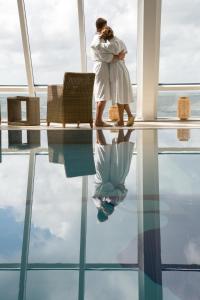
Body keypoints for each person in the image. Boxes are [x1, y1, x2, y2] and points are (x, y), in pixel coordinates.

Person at [94, 26, 135, 127]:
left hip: (116, 70)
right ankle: (130, 116)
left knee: (119, 96)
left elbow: (100, 51)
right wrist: (119, 56)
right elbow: (124, 52)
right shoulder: (119, 41)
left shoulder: (107, 45)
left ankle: (121, 121)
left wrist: (99, 39)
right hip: (123, 67)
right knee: (122, 95)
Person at [93, 129, 134, 222]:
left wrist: (106, 198)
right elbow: (121, 190)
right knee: (121, 152)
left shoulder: (98, 202)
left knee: (103, 149)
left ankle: (98, 126)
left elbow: (109, 187)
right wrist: (107, 198)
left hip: (105, 180)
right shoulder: (110, 202)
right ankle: (125, 130)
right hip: (113, 180)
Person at [90, 18, 125, 127]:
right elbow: (101, 52)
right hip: (101, 67)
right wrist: (116, 56)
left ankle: (98, 119)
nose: (107, 28)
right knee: (103, 95)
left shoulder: (100, 37)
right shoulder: (98, 38)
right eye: (105, 26)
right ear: (101, 27)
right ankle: (98, 121)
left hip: (101, 67)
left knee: (100, 94)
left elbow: (103, 51)